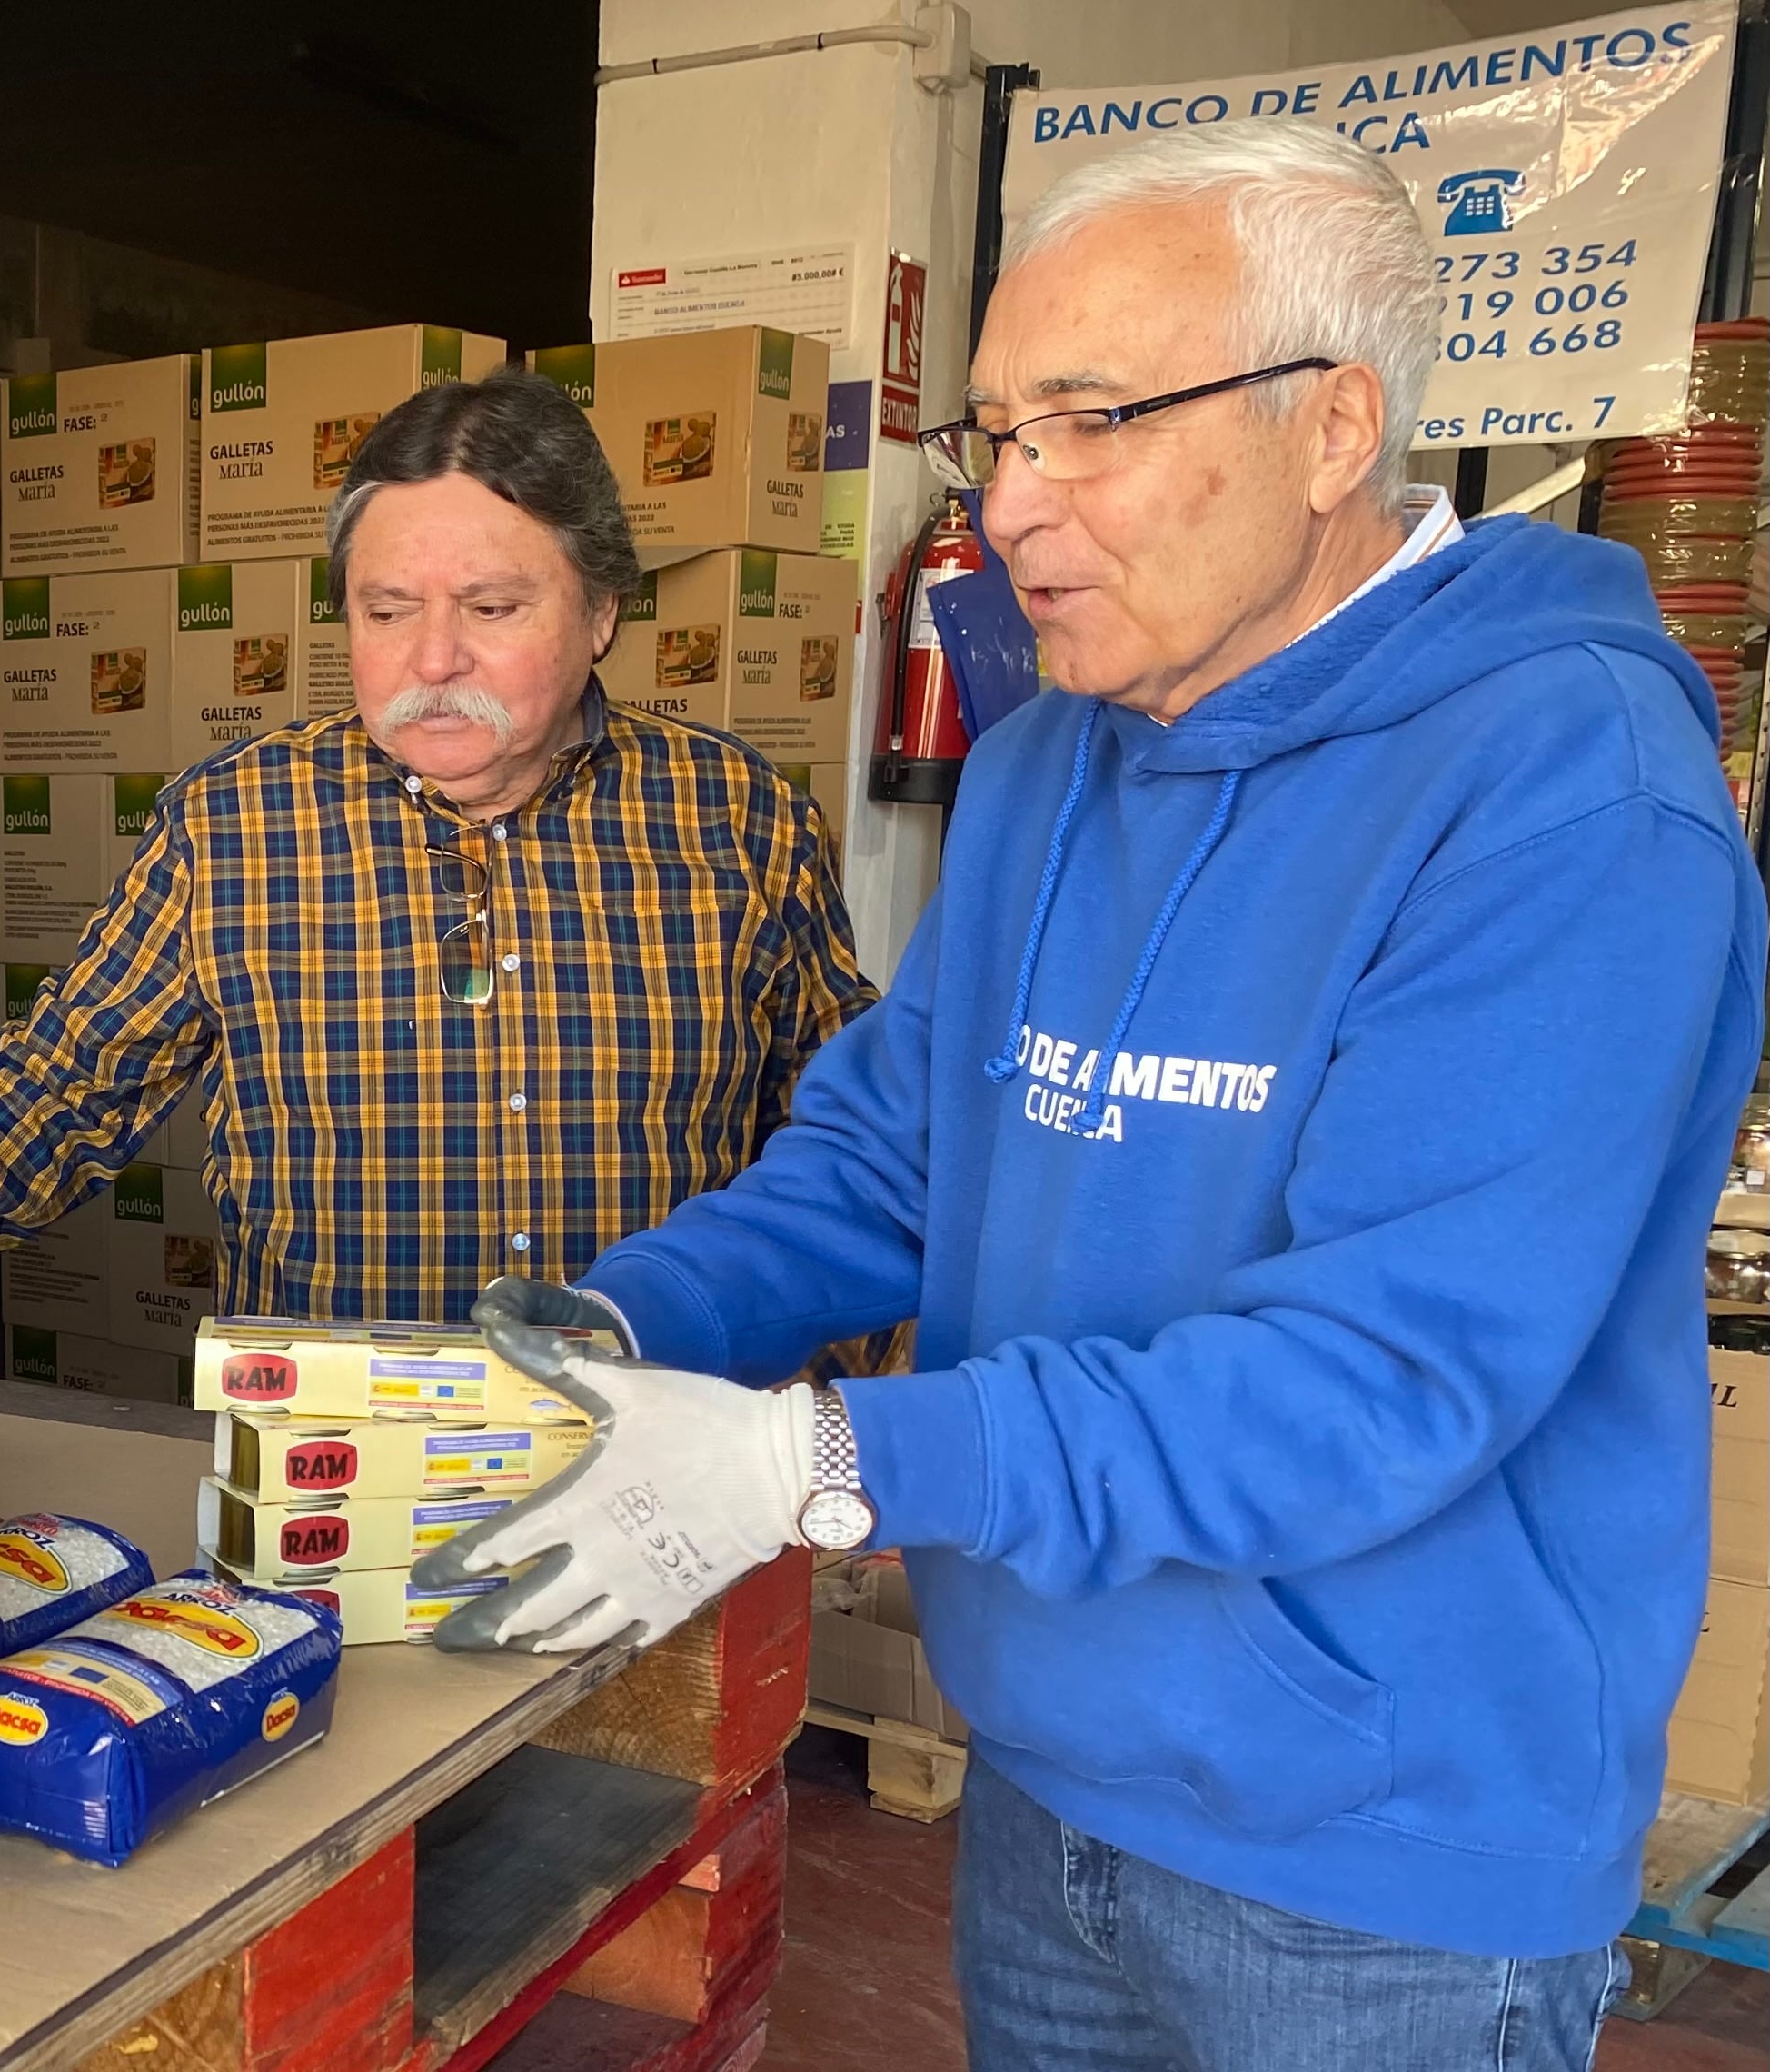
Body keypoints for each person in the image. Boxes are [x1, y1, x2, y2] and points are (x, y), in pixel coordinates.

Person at [426, 122, 1765, 2068]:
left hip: (1377, 1865)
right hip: (1046, 1776)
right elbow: (898, 1148)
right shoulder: (1053, 757)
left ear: (1331, 430)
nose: (1009, 512)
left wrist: (821, 1463)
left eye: (1092, 422)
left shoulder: (1568, 797)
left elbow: (1381, 1374)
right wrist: (623, 1323)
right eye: (993, 436)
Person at [0, 368, 873, 1346]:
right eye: (386, 612)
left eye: (491, 606)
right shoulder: (236, 827)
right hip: (331, 1470)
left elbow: (850, 1133)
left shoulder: (739, 818)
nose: (433, 657)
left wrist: (862, 1408)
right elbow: (53, 1093)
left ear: (600, 614)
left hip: (658, 1442)